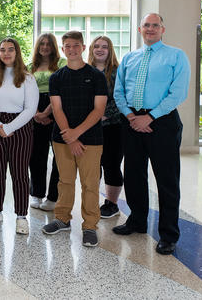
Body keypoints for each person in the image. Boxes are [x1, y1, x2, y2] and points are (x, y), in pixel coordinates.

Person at [112, 13, 190, 256]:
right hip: (132, 122)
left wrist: (151, 116)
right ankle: (136, 221)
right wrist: (130, 116)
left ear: (162, 29)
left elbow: (178, 93)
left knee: (166, 180)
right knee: (134, 174)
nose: (150, 29)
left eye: (155, 25)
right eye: (146, 25)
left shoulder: (176, 56)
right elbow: (119, 91)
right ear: (139, 29)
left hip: (162, 123)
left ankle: (168, 235)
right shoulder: (130, 57)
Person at [41, 31, 107, 248]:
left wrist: (76, 134)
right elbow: (57, 109)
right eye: (67, 46)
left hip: (91, 139)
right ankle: (62, 219)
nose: (71, 49)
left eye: (75, 45)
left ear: (83, 47)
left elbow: (98, 110)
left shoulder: (97, 76)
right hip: (62, 139)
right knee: (65, 181)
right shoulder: (57, 77)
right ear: (62, 49)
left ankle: (89, 226)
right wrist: (69, 136)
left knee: (90, 184)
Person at [0, 38, 38, 233]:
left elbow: (30, 108)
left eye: (10, 50)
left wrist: (10, 126)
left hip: (20, 127)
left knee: (20, 173)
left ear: (17, 52)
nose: (6, 53)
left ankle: (21, 216)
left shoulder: (28, 78)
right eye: (3, 50)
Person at [28, 33, 66, 212]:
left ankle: (53, 196)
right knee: (36, 155)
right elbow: (25, 91)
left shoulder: (62, 64)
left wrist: (46, 112)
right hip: (34, 111)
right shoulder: (30, 67)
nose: (45, 47)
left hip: (57, 108)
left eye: (48, 44)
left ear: (54, 46)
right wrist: (36, 112)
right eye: (42, 44)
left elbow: (63, 90)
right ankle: (37, 193)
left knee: (59, 155)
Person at [87, 36, 124, 219]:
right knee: (92, 167)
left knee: (112, 165)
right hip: (89, 128)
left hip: (113, 126)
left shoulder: (118, 72)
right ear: (91, 49)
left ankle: (112, 203)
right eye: (96, 46)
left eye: (104, 47)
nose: (100, 50)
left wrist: (104, 114)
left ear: (110, 51)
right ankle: (91, 201)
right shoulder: (85, 71)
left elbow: (122, 97)